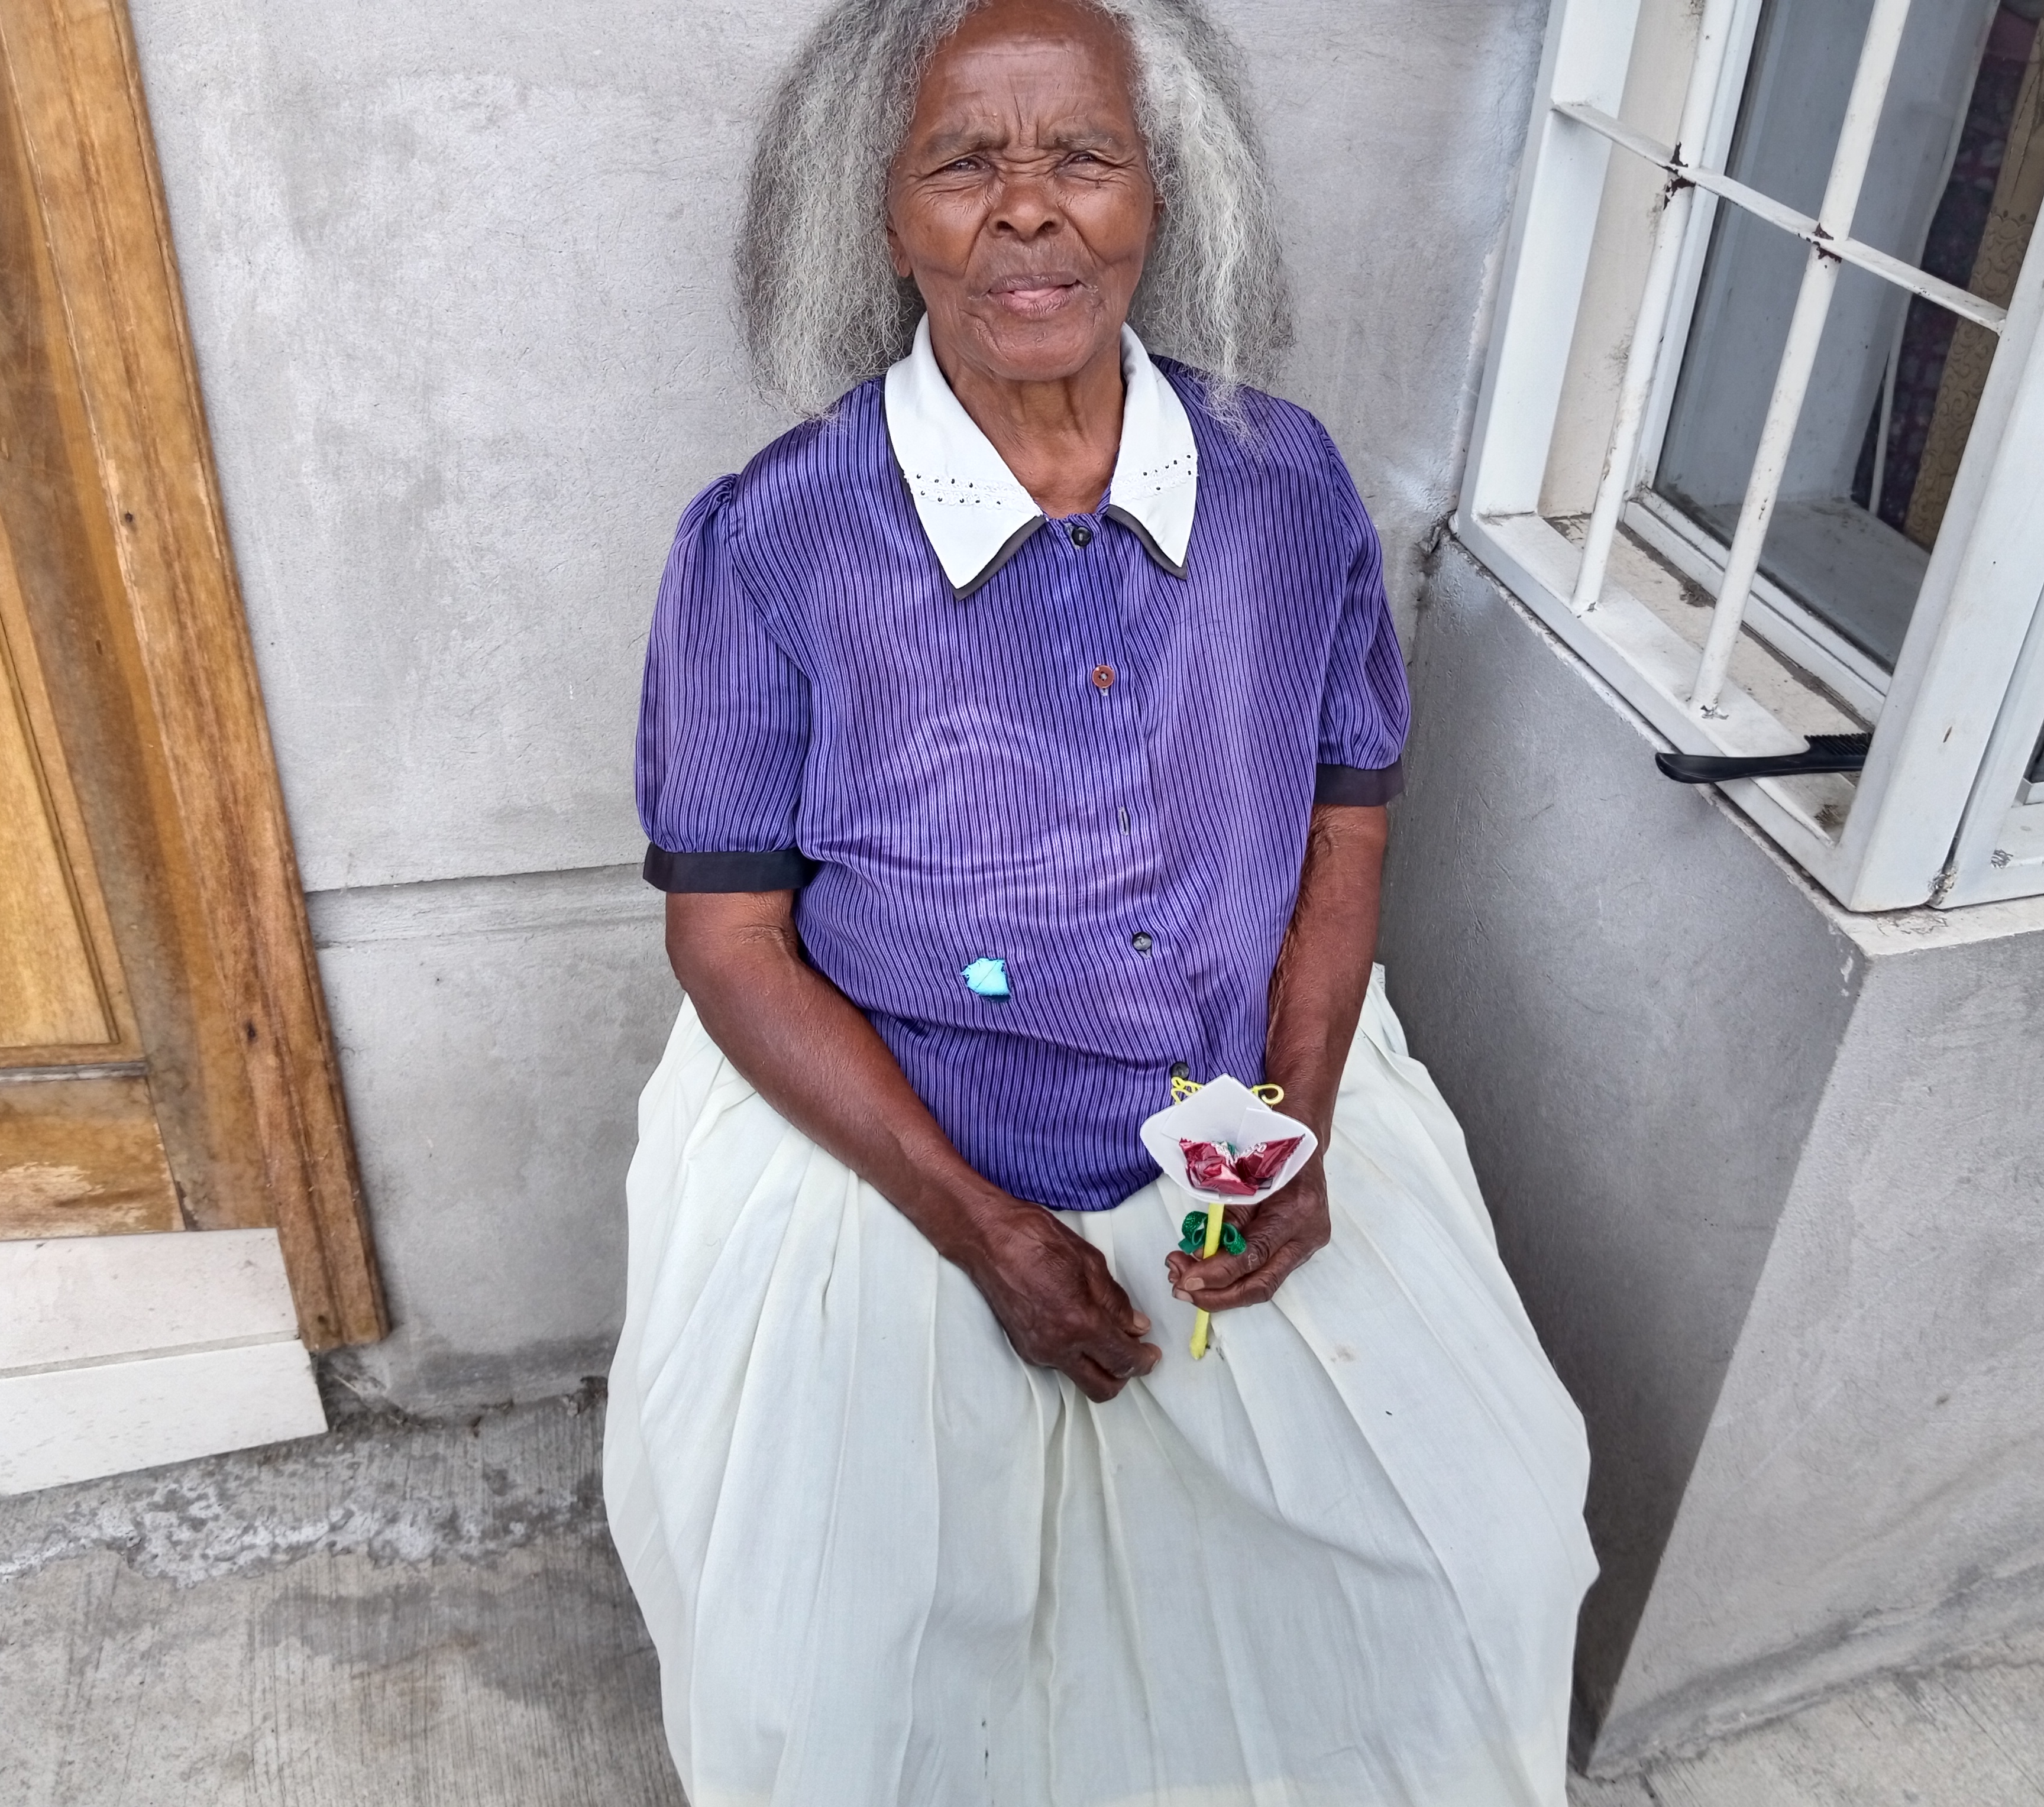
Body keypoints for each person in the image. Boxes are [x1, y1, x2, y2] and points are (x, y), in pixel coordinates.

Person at [603, 1, 1597, 1800]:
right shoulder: (773, 539)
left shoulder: (1286, 483)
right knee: (850, 1691)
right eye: (961, 163)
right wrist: (980, 1227)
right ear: (879, 211)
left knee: (1479, 1573)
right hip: (905, 1149)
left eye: (1084, 154)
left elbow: (1345, 821)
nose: (1028, 210)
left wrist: (1294, 1124)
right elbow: (731, 934)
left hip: (1250, 1089)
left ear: (1162, 191)